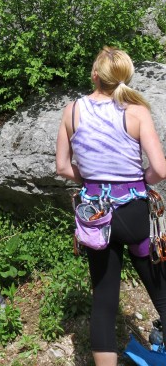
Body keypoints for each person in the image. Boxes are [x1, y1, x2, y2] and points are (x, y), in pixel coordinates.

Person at [56, 46, 166, 366]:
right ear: (125, 77)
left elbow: (62, 167)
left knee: (104, 302)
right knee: (161, 290)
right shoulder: (136, 112)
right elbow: (159, 169)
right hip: (133, 213)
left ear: (94, 75)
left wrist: (92, 181)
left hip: (96, 218)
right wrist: (135, 181)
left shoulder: (72, 111)